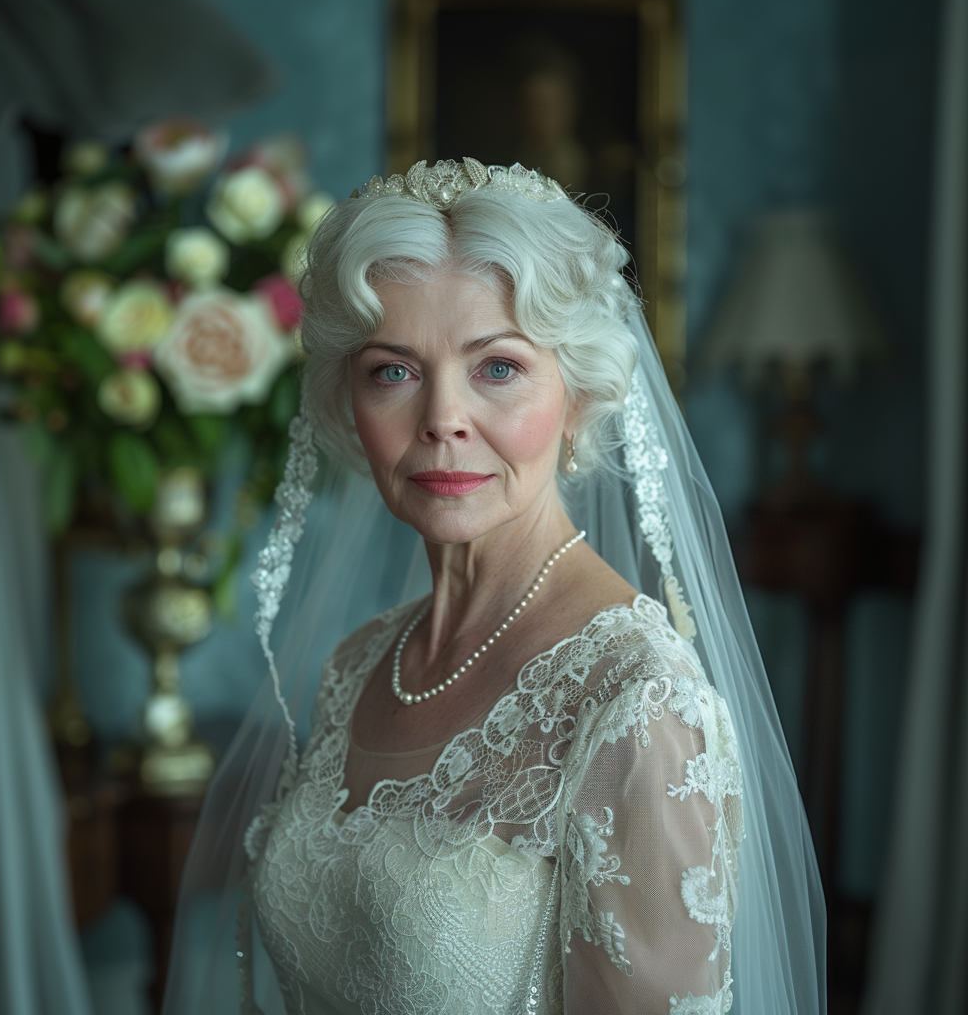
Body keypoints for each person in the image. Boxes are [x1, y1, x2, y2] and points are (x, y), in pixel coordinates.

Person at [161, 159, 826, 1015]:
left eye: (498, 367)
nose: (443, 417)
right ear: (348, 403)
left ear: (579, 394)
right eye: (393, 371)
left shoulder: (636, 701)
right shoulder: (359, 662)